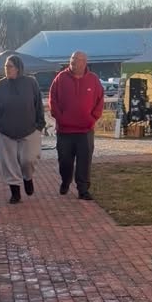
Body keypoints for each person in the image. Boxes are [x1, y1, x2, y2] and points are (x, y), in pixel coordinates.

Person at [0, 54, 45, 204]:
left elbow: (38, 105)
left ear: (18, 68)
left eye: (10, 66)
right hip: (5, 132)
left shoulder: (31, 83)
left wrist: (39, 125)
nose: (7, 69)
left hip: (30, 129)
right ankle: (15, 192)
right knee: (9, 163)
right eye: (5, 66)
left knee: (28, 159)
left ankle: (28, 177)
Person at [49, 51, 104, 200]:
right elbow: (53, 100)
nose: (73, 62)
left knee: (84, 161)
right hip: (65, 131)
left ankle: (83, 189)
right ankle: (66, 181)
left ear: (84, 62)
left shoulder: (93, 80)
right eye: (72, 59)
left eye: (77, 59)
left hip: (85, 130)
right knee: (65, 161)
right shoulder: (60, 78)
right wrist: (60, 117)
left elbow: (100, 101)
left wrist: (92, 118)